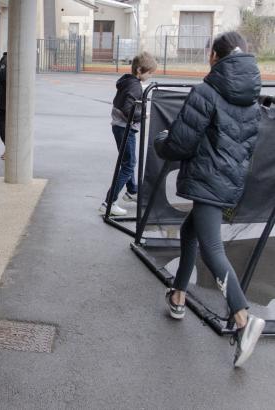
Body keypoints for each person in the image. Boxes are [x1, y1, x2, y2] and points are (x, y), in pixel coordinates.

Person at [154, 31, 264, 367]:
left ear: (215, 57)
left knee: (213, 249)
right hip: (228, 182)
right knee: (190, 234)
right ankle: (178, 295)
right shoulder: (252, 98)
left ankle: (243, 317)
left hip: (207, 182)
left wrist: (161, 140)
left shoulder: (206, 92)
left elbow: (180, 144)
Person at [99, 52, 158, 216]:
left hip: (119, 127)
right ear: (139, 70)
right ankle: (108, 203)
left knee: (127, 161)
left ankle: (132, 190)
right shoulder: (134, 85)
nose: (150, 75)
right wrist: (143, 115)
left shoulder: (129, 82)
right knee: (129, 164)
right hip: (125, 128)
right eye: (149, 72)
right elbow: (127, 107)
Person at [0, 51, 7, 160]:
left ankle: (9, 148)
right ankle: (9, 149)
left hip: (5, 101)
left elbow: (2, 76)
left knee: (1, 124)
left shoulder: (5, 59)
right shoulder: (8, 59)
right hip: (6, 100)